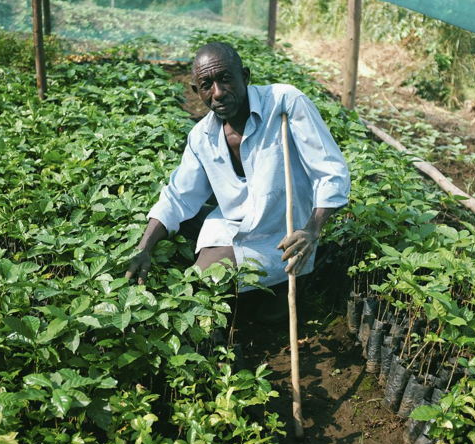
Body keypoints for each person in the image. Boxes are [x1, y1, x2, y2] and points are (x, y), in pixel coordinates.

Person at [125, 42, 350, 323]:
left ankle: (280, 286)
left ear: (245, 76)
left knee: (208, 288)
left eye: (225, 79)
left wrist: (311, 231)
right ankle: (251, 287)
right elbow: (179, 197)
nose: (217, 92)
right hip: (232, 224)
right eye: (206, 84)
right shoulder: (201, 137)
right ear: (197, 92)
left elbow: (330, 173)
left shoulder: (284, 104)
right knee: (174, 228)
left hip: (284, 234)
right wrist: (144, 248)